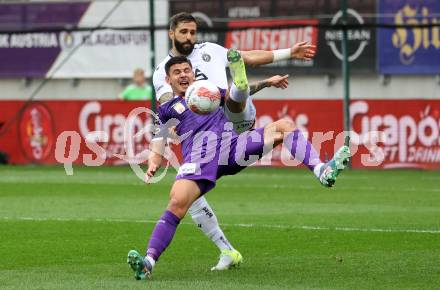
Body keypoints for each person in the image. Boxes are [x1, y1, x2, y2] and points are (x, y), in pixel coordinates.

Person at [127, 53, 350, 280]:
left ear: (193, 73)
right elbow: (159, 136)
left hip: (234, 147)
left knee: (285, 126)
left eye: (187, 70)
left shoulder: (210, 90)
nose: (183, 74)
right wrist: (154, 162)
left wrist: (266, 83)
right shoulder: (168, 108)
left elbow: (238, 94)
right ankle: (148, 262)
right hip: (200, 158)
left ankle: (322, 171)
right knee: (177, 203)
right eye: (177, 72)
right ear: (168, 80)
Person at [150, 12, 315, 270]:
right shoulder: (162, 71)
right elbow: (170, 106)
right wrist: (168, 132)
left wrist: (288, 53)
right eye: (183, 32)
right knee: (188, 198)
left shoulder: (212, 50)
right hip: (198, 133)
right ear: (172, 33)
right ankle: (226, 250)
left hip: (228, 116)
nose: (189, 37)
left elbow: (247, 56)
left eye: (193, 32)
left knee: (233, 98)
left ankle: (240, 87)